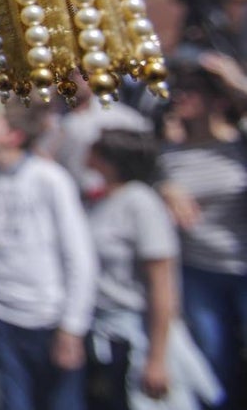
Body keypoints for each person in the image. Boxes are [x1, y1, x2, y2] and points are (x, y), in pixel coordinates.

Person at [0, 103, 98, 410]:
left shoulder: (50, 179)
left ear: (14, 134)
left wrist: (72, 326)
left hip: (46, 318)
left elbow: (79, 255)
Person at [85, 128, 222, 410]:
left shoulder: (141, 204)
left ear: (110, 158)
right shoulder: (102, 199)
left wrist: (157, 358)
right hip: (108, 334)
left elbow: (163, 285)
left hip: (140, 334)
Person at [155, 61, 247, 410]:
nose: (182, 97)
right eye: (178, 90)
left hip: (241, 265)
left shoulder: (239, 146)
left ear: (214, 98)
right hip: (198, 271)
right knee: (214, 356)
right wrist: (163, 188)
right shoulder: (168, 155)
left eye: (192, 90)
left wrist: (235, 80)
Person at [36, 73, 151, 201]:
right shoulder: (51, 122)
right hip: (72, 200)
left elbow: (146, 155)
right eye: (69, 74)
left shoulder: (122, 118)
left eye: (82, 74)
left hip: (115, 200)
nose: (75, 80)